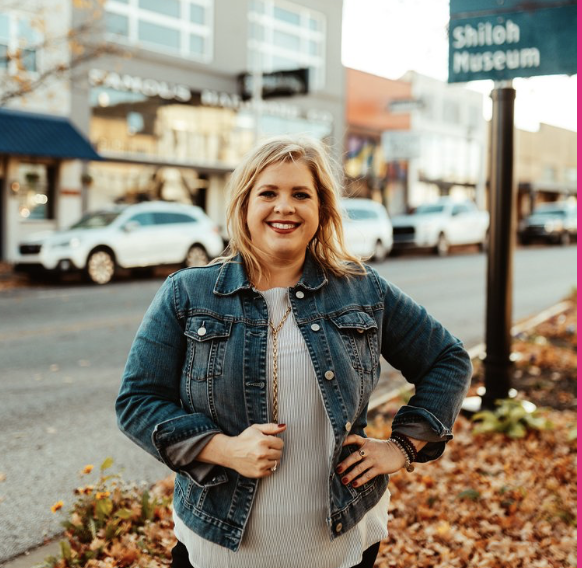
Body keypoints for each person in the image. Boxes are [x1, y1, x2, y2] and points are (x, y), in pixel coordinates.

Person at [116, 135, 473, 568]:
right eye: (268, 193)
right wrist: (222, 449)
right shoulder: (188, 294)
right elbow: (138, 403)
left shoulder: (362, 290)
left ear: (320, 210)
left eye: (300, 194)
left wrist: (402, 447)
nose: (284, 206)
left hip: (340, 542)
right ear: (245, 206)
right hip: (220, 544)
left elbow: (447, 360)